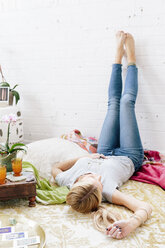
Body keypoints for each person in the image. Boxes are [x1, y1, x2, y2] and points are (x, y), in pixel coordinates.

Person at [52, 31, 152, 239]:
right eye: (99, 181)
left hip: (105, 151)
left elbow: (56, 168)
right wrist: (132, 224)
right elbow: (143, 207)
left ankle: (116, 58)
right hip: (128, 155)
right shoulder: (108, 192)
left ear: (76, 183)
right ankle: (131, 60)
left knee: (113, 104)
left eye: (91, 177)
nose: (98, 176)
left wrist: (86, 157)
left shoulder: (66, 180)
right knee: (126, 103)